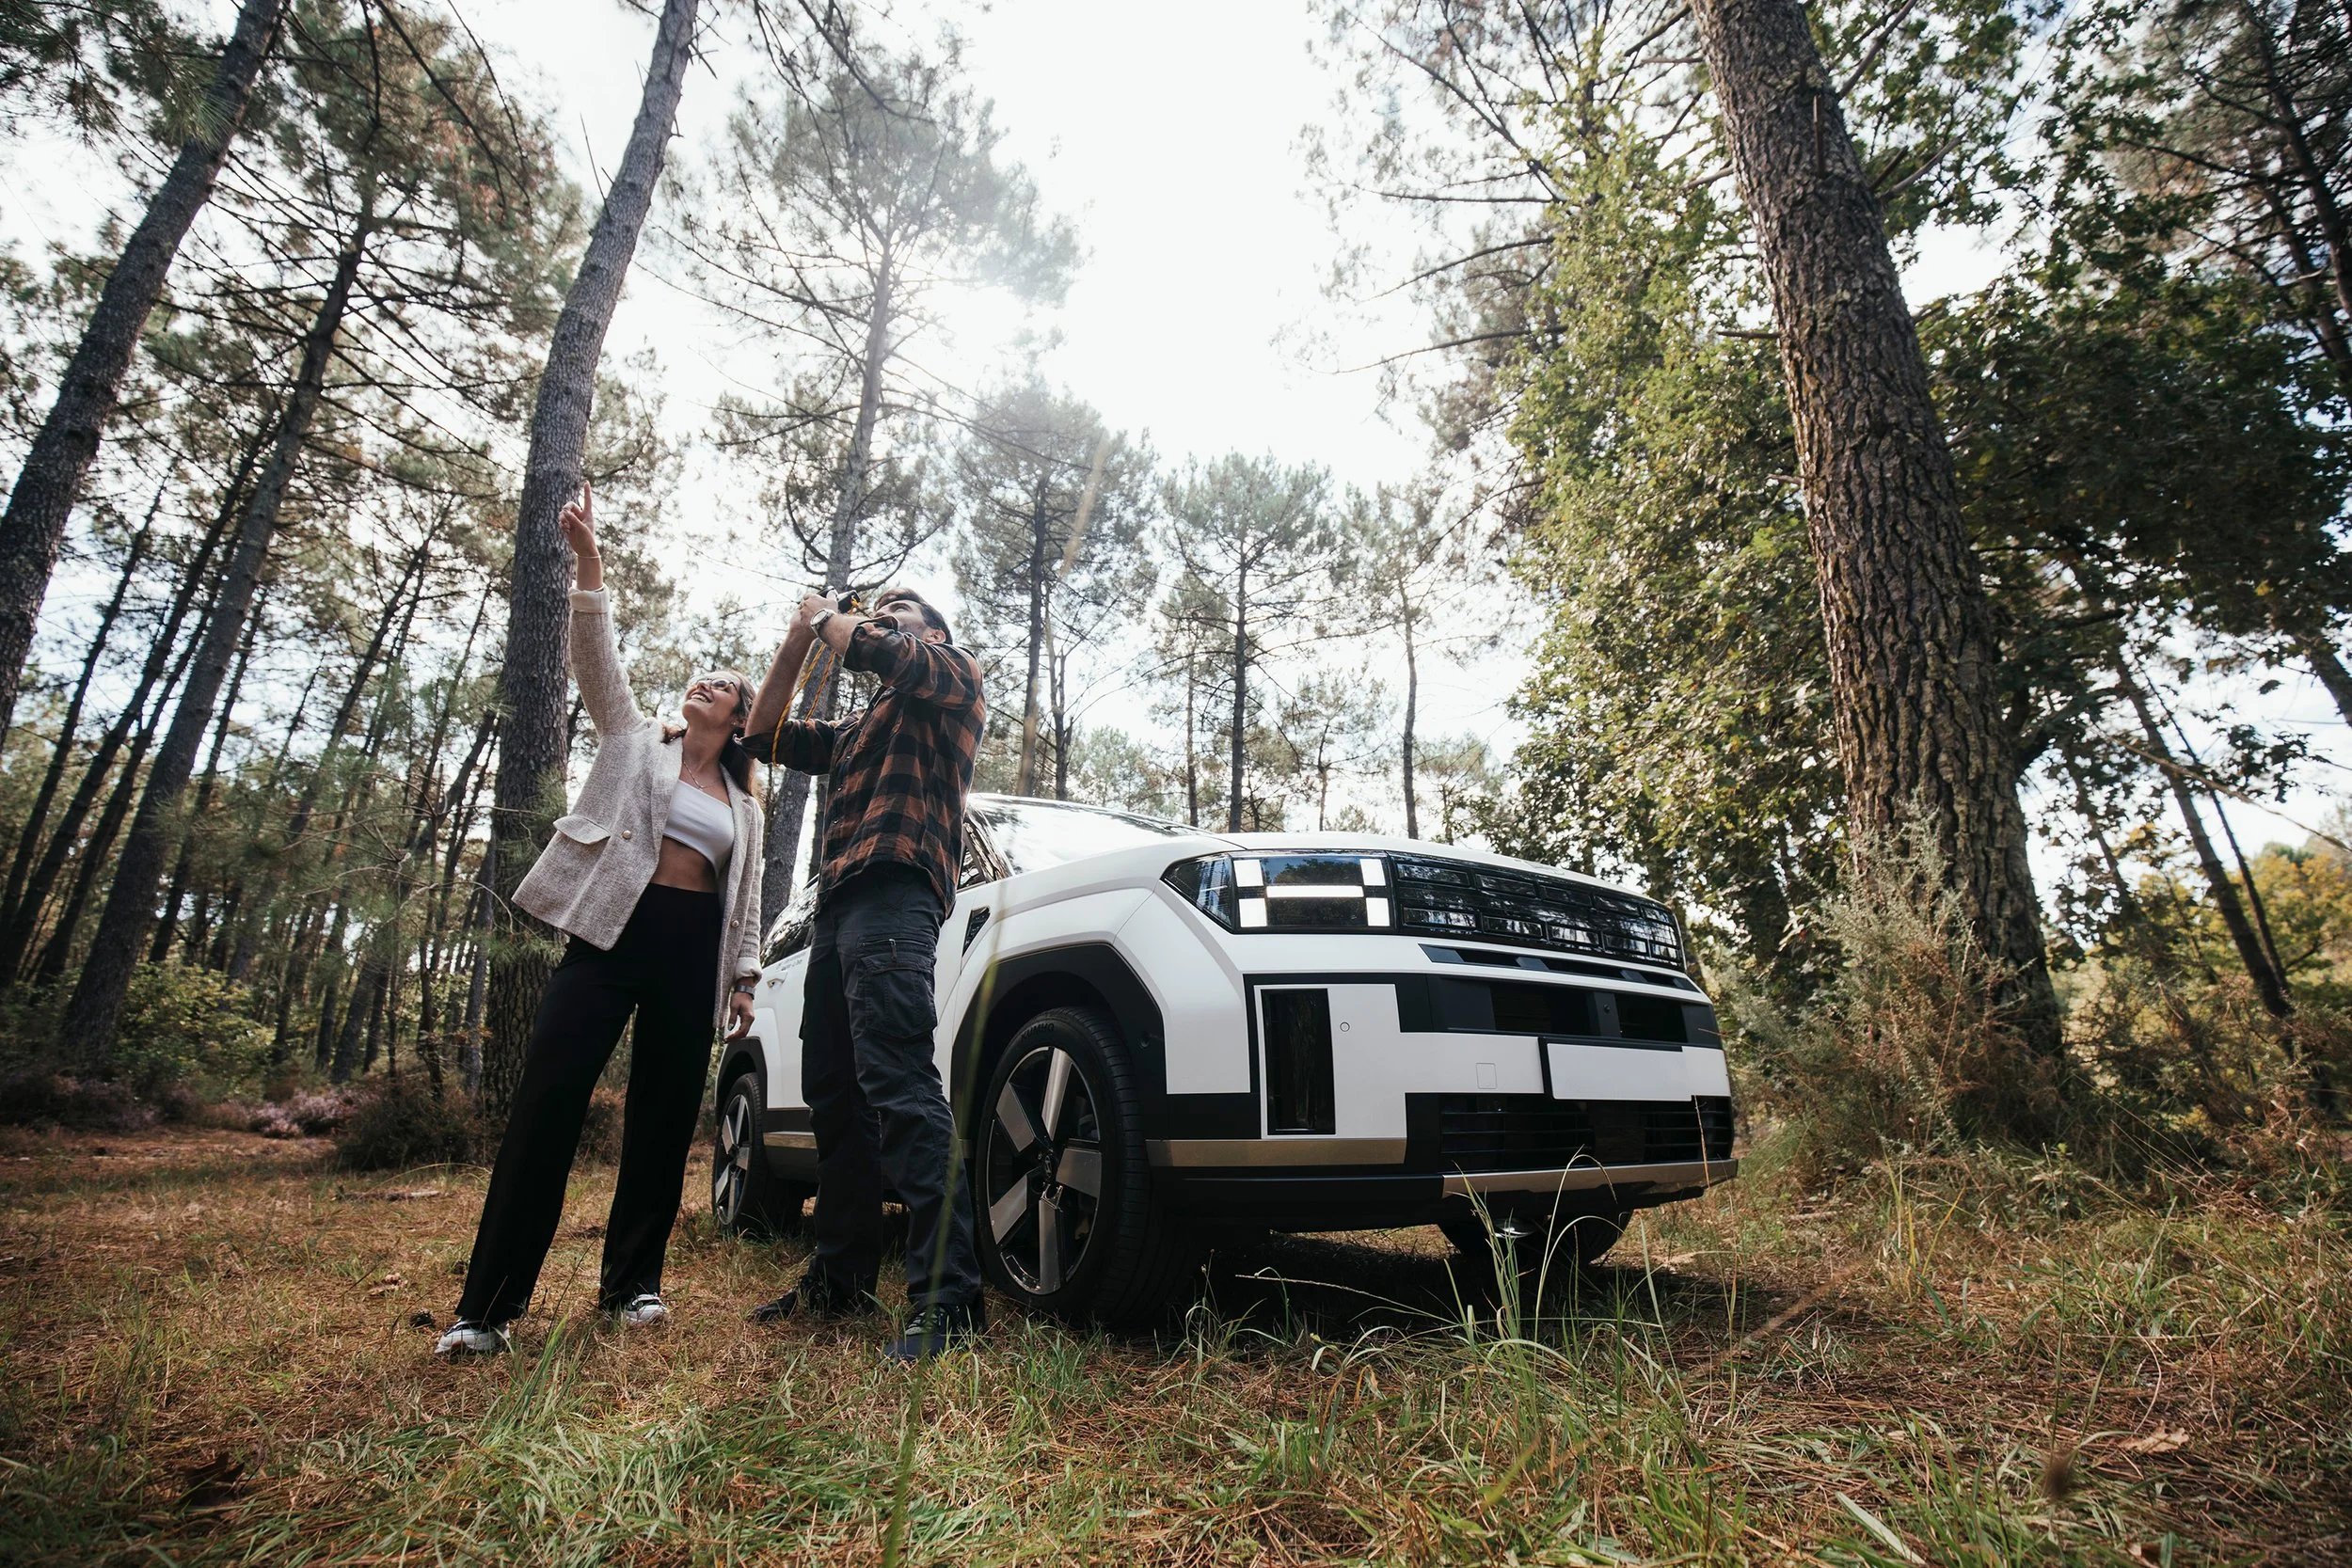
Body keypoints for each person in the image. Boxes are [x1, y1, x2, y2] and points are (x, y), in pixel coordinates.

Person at [435, 483, 764, 1357]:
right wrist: (589, 561)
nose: (707, 680)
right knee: (547, 1104)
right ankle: (487, 1309)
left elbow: (748, 896)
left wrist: (744, 977)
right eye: (705, 674)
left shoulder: (745, 804)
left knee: (661, 1122)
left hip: (693, 951)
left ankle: (632, 1288)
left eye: (726, 684)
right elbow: (595, 656)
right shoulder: (633, 740)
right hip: (610, 935)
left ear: (740, 720)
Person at [739, 585, 988, 1361]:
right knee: (837, 1097)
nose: (880, 619)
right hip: (839, 914)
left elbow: (890, 653)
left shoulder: (951, 678)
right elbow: (761, 735)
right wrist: (795, 638)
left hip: (898, 890)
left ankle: (949, 1298)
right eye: (873, 610)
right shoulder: (855, 728)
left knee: (902, 1086)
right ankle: (840, 1276)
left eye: (898, 610)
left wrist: (834, 620)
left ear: (936, 632)